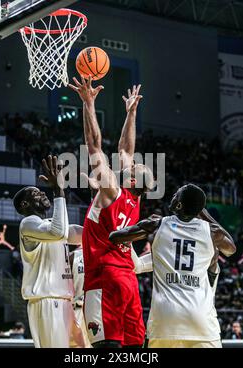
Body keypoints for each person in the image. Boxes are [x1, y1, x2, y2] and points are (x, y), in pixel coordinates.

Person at [69, 77, 154, 348]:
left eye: (136, 167)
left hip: (105, 277)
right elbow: (126, 149)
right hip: (128, 280)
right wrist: (131, 113)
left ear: (132, 180)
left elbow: (94, 146)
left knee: (107, 348)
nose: (133, 162)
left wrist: (88, 104)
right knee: (134, 347)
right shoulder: (134, 197)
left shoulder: (113, 190)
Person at [110, 184, 236, 348]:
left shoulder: (156, 224)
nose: (173, 196)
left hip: (164, 321)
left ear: (179, 205)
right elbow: (231, 249)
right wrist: (203, 212)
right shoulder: (212, 233)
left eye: (176, 195)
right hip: (201, 321)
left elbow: (115, 237)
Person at [13, 155, 83, 348]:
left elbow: (78, 233)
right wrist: (58, 190)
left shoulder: (48, 225)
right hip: (47, 301)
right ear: (25, 205)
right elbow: (59, 232)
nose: (42, 194)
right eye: (35, 194)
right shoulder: (28, 224)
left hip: (64, 301)